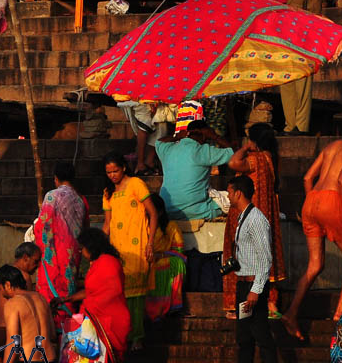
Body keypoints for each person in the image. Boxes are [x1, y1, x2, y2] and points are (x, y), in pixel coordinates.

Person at [281, 124, 342, 338]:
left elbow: (307, 178)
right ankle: (340, 311)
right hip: (331, 200)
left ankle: (291, 313)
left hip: (311, 201)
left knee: (315, 264)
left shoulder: (332, 145)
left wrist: (312, 202)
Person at [212, 176, 282, 363]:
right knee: (244, 337)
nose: (229, 196)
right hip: (244, 284)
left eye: (230, 192)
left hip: (253, 287)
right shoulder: (243, 217)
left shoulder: (256, 219)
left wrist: (256, 290)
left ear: (239, 193)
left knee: (261, 335)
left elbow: (266, 258)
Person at [53, 228, 130, 363]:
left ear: (91, 247)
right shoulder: (98, 263)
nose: (81, 252)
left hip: (108, 320)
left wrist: (88, 309)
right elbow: (91, 291)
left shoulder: (108, 263)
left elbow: (112, 292)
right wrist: (67, 299)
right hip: (95, 319)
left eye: (82, 248)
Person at [225, 123, 285, 317]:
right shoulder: (270, 158)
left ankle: (242, 308)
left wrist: (244, 147)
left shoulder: (255, 159)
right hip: (264, 214)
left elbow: (233, 163)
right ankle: (270, 303)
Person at [102, 153, 157, 351]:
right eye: (109, 172)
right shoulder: (108, 192)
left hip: (138, 246)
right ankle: (123, 336)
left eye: (115, 171)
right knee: (120, 295)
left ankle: (137, 338)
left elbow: (153, 213)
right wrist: (98, 249)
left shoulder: (136, 184)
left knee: (136, 297)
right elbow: (107, 224)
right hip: (118, 250)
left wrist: (150, 243)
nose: (112, 175)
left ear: (124, 167)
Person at [154, 120, 243, 220]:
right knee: (236, 199)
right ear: (204, 135)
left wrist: (177, 137)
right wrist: (215, 137)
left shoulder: (168, 149)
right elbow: (236, 153)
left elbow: (158, 142)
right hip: (195, 212)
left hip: (167, 210)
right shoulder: (203, 151)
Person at [34, 162, 88, 310]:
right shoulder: (80, 200)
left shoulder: (52, 196)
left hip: (55, 254)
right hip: (73, 254)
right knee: (69, 288)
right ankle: (68, 325)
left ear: (56, 178)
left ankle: (54, 327)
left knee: (52, 295)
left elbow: (42, 225)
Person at [280, 0, 323, 135]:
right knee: (286, 86)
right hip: (287, 44)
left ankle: (301, 126)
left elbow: (314, 19)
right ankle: (289, 125)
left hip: (304, 45)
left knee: (302, 88)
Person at [145, 193, 186, 322]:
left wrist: (160, 255)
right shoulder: (140, 226)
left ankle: (169, 306)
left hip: (164, 259)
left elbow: (179, 253)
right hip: (144, 261)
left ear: (160, 212)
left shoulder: (171, 226)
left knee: (177, 263)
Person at [117, 101, 160, 175]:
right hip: (139, 98)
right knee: (144, 126)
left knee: (160, 124)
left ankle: (149, 161)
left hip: (158, 97)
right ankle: (140, 163)